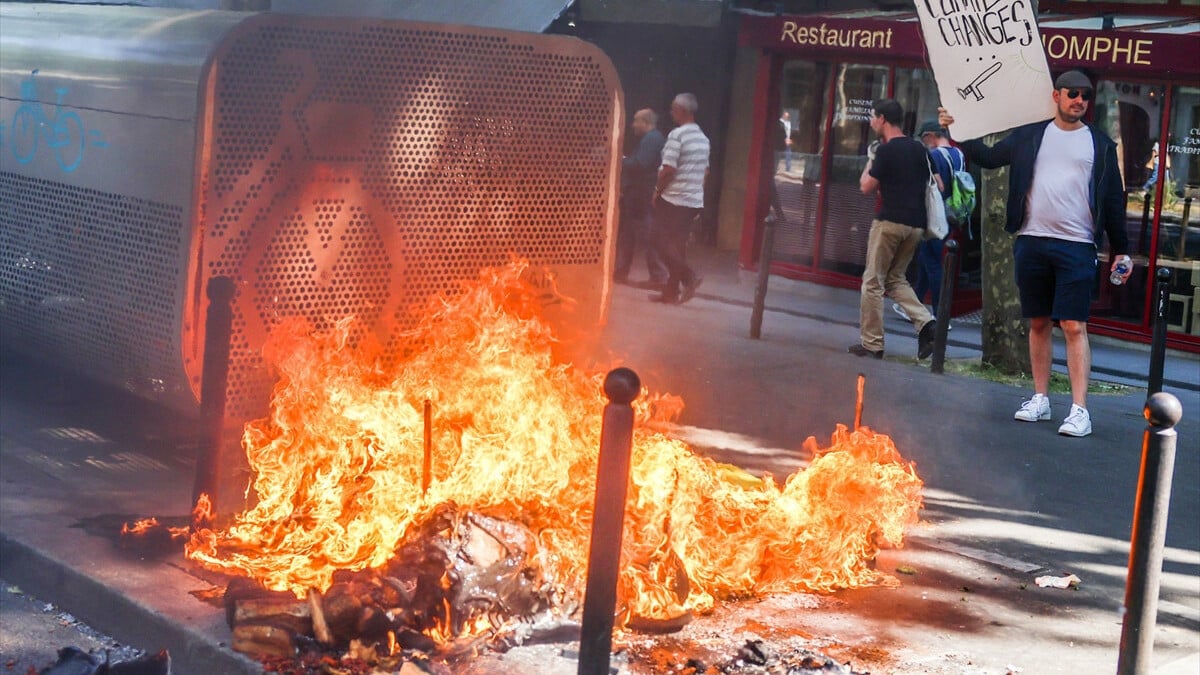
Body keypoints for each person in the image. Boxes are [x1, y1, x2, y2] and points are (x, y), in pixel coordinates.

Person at [939, 70, 1131, 437]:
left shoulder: (1101, 144)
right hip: (1031, 240)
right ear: (1056, 96)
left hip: (1077, 246)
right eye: (1073, 93)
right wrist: (956, 130)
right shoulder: (1031, 135)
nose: (1079, 100)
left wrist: (1121, 250)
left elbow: (1112, 200)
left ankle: (1079, 410)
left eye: (1086, 96)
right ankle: (1040, 398)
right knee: (1039, 322)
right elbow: (991, 157)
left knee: (1074, 325)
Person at [849, 99, 937, 360]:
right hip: (916, 225)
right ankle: (926, 322)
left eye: (873, 117)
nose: (871, 121)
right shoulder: (920, 149)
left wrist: (871, 159)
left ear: (883, 119)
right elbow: (938, 184)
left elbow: (866, 186)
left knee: (873, 282)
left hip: (889, 222)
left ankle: (872, 343)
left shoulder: (885, 151)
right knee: (895, 278)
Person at [893, 120, 963, 325]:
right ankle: (913, 305)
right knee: (927, 259)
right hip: (951, 215)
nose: (924, 143)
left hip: (934, 215)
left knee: (932, 263)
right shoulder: (959, 154)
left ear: (931, 135)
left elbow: (929, 187)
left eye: (924, 138)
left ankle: (941, 316)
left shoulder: (934, 156)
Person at [650, 93, 709, 305]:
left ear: (681, 111)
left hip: (674, 199)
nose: (671, 112)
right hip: (693, 201)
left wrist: (657, 191)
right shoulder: (703, 139)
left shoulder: (678, 135)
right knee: (677, 245)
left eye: (673, 108)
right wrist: (695, 192)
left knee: (657, 238)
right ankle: (670, 293)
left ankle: (689, 277)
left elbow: (668, 169)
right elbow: (705, 172)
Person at [614, 108, 669, 288]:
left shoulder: (652, 139)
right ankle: (621, 272)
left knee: (647, 236)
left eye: (636, 121)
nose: (633, 125)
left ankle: (659, 275)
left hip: (642, 197)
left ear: (646, 122)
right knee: (627, 235)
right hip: (636, 196)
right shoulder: (650, 139)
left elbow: (639, 164)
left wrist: (620, 160)